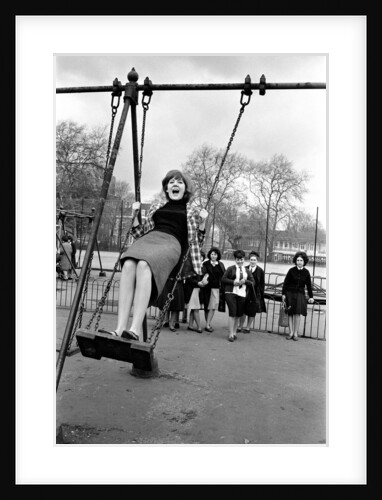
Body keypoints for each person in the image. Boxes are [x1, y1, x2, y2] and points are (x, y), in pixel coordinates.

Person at [100, 169, 208, 341]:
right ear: (166, 188)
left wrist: (203, 223)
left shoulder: (192, 211)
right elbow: (139, 233)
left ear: (185, 189)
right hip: (150, 239)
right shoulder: (157, 207)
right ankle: (120, 329)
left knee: (144, 264)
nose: (175, 184)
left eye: (179, 182)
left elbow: (197, 241)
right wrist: (135, 215)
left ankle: (135, 329)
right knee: (128, 263)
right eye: (171, 182)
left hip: (172, 243)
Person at [221, 249, 255, 342]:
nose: (240, 261)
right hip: (231, 292)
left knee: (238, 314)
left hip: (241, 293)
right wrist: (233, 282)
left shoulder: (247, 271)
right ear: (235, 260)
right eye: (238, 259)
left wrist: (246, 281)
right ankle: (231, 334)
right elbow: (223, 279)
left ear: (244, 260)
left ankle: (235, 332)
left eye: (241, 259)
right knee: (232, 312)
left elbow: (253, 282)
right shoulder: (230, 268)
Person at [281, 251, 314, 341]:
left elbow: (309, 286)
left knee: (297, 314)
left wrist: (311, 297)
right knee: (290, 313)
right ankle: (290, 332)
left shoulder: (306, 272)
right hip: (290, 294)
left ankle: (295, 332)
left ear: (304, 262)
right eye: (297, 260)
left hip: (300, 294)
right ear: (295, 261)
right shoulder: (291, 271)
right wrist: (283, 294)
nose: (299, 262)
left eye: (301, 260)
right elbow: (285, 283)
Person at [238, 251, 266, 333]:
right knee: (243, 310)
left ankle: (248, 327)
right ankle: (240, 326)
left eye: (254, 260)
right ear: (249, 260)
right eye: (251, 260)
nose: (252, 261)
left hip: (255, 293)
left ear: (257, 261)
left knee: (252, 311)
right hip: (245, 292)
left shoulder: (260, 270)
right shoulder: (245, 268)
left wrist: (260, 294)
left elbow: (262, 283)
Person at [201, 247, 226, 332]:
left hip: (216, 289)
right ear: (209, 255)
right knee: (207, 307)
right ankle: (207, 324)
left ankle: (207, 324)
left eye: (215, 254)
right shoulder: (206, 264)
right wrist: (205, 277)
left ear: (218, 255)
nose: (213, 256)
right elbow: (203, 273)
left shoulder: (221, 264)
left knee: (213, 307)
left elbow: (224, 276)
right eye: (212, 254)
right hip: (207, 288)